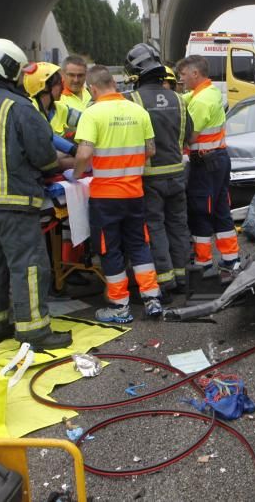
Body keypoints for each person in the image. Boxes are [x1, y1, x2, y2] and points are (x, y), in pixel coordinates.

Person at [0, 38, 72, 349]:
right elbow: (45, 158)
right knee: (29, 264)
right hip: (13, 202)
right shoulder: (18, 107)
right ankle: (35, 331)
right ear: (8, 68)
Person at [72, 65, 161, 323]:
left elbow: (85, 153)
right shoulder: (138, 111)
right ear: (113, 82)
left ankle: (120, 306)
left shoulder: (92, 114)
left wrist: (77, 174)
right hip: (134, 192)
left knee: (109, 249)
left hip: (106, 196)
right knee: (139, 244)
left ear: (93, 88)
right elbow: (151, 150)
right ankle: (152, 298)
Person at [124, 45, 193, 298]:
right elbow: (189, 136)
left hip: (149, 177)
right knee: (177, 225)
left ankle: (164, 281)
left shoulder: (133, 101)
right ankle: (181, 275)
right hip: (177, 174)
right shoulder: (179, 100)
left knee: (155, 227)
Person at [178, 55, 240, 273]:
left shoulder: (201, 101)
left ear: (195, 73)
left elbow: (191, 137)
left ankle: (203, 261)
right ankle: (231, 259)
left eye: (184, 75)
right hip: (218, 159)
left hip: (204, 162)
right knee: (221, 208)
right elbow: (184, 98)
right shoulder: (210, 92)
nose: (181, 79)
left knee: (200, 210)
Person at [22, 61, 80, 169]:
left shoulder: (60, 109)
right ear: (45, 87)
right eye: (58, 83)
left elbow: (85, 120)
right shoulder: (28, 109)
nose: (63, 86)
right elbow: (46, 135)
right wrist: (73, 150)